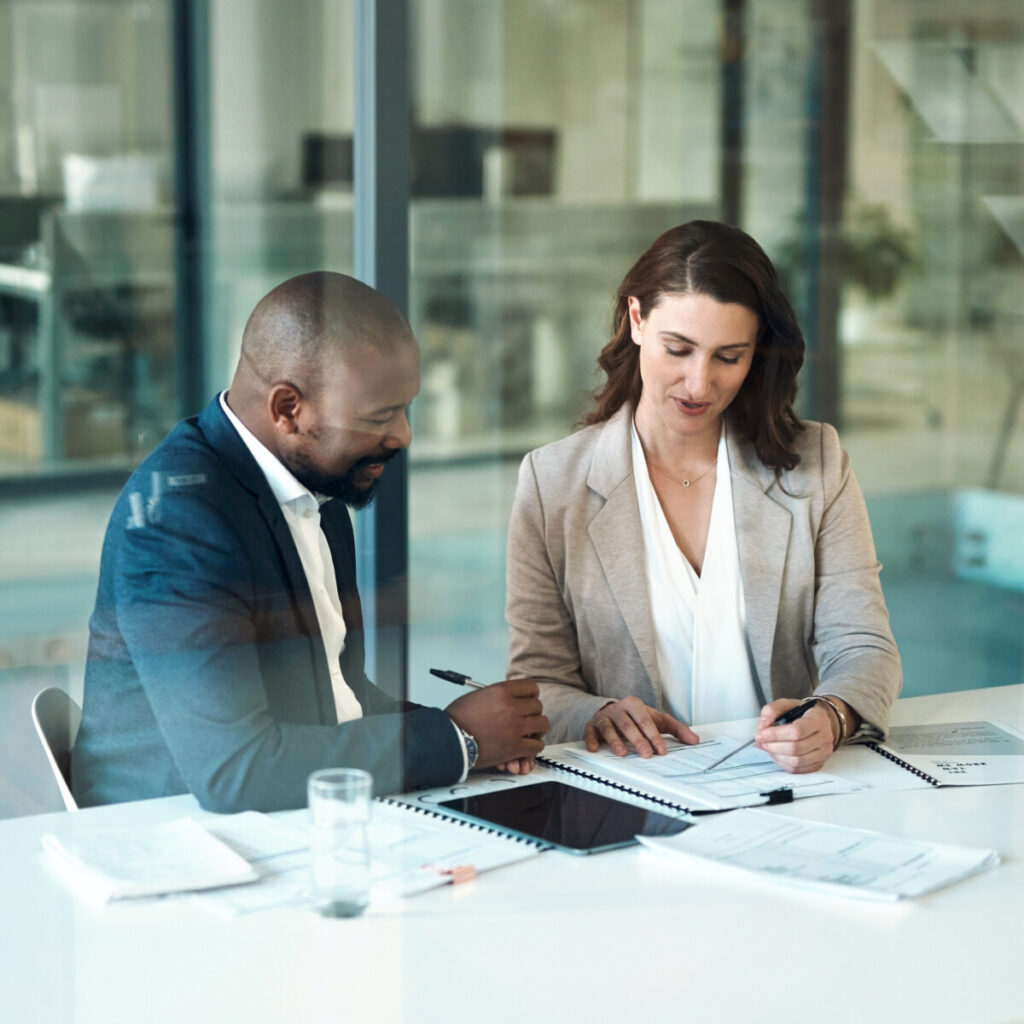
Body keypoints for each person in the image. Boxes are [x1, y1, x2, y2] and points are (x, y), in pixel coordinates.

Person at [72, 271, 548, 812]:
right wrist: (456, 741)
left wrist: (470, 733)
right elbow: (237, 771)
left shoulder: (314, 486)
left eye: (406, 407)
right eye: (379, 416)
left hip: (283, 823)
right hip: (172, 841)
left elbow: (337, 693)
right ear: (287, 409)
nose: (403, 435)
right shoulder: (178, 522)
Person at [505, 221, 900, 773]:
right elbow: (537, 681)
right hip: (631, 791)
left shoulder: (817, 463)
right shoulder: (552, 483)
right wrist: (595, 714)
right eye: (679, 349)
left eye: (728, 357)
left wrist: (832, 714)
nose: (699, 384)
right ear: (637, 320)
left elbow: (864, 646)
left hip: (783, 788)